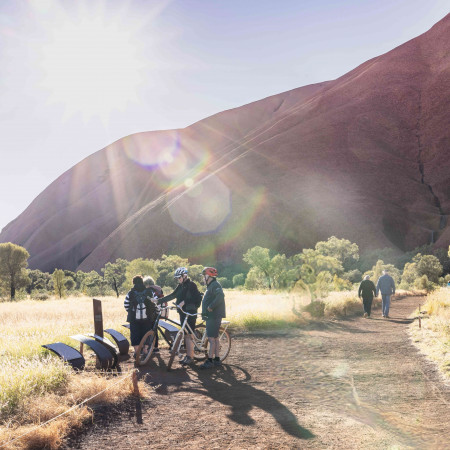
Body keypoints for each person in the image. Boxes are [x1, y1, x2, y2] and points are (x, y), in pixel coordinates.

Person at [158, 267, 202, 366]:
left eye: (179, 277)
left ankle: (190, 357)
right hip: (182, 313)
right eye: (177, 278)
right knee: (185, 334)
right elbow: (172, 295)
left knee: (189, 335)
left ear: (184, 276)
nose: (178, 279)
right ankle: (188, 356)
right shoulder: (180, 286)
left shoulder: (192, 285)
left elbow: (196, 297)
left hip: (190, 312)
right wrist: (158, 301)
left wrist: (184, 302)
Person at [199, 267, 226, 370]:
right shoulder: (211, 286)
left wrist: (211, 306)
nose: (202, 279)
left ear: (208, 276)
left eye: (203, 276)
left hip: (214, 316)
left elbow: (220, 296)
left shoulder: (215, 285)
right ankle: (217, 360)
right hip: (213, 316)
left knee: (211, 338)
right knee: (215, 338)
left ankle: (210, 361)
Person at [124, 275, 157, 357]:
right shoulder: (149, 292)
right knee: (146, 333)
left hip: (134, 319)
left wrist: (131, 312)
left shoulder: (130, 293)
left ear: (133, 283)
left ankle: (137, 351)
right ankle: (145, 350)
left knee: (135, 334)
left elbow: (126, 305)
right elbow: (156, 303)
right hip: (147, 318)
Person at [143, 276, 164, 354]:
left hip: (151, 312)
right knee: (155, 329)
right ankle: (155, 347)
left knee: (149, 329)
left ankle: (148, 347)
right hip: (159, 311)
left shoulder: (148, 290)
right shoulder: (158, 288)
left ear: (147, 284)